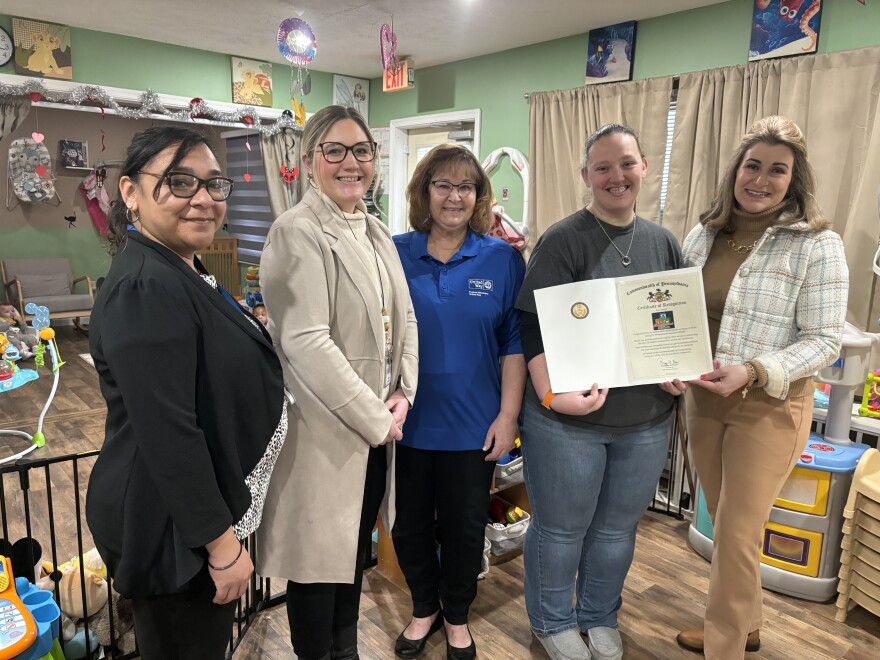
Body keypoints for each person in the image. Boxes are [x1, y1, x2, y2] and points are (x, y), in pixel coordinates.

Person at [85, 126, 287, 659]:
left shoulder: (182, 268)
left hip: (189, 518)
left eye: (213, 184)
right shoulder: (144, 288)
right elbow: (169, 433)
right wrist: (222, 548)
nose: (202, 199)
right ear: (130, 193)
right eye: (179, 182)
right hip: (172, 529)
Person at [669, 116, 848, 659]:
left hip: (768, 406)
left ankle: (723, 645)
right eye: (753, 166)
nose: (761, 180)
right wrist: (671, 359)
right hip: (704, 399)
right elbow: (673, 314)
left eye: (777, 170)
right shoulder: (701, 235)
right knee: (725, 521)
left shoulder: (817, 245)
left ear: (793, 180)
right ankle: (745, 623)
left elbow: (825, 341)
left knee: (738, 534)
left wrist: (754, 369)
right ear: (735, 171)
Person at [256, 105, 418, 660]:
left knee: (352, 557)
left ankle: (344, 652)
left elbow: (406, 317)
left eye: (362, 151)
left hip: (376, 430)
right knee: (316, 566)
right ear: (308, 161)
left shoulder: (375, 231)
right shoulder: (296, 231)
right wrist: (377, 418)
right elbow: (305, 341)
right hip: (326, 432)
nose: (351, 163)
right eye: (335, 151)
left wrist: (404, 393)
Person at [514, 124, 682, 660]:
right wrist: (547, 396)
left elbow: (672, 325)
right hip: (568, 422)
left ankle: (598, 615)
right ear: (587, 176)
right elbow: (531, 326)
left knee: (614, 532)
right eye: (604, 167)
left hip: (647, 420)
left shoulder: (663, 242)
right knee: (562, 530)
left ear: (644, 168)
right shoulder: (564, 240)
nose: (617, 176)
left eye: (627, 164)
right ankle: (552, 620)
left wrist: (676, 368)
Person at [391, 144, 526, 659]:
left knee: (467, 529)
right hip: (407, 423)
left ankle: (457, 615)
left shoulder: (501, 258)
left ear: (479, 196)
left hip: (475, 426)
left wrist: (508, 416)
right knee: (410, 527)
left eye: (465, 187)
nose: (454, 196)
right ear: (425, 192)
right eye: (442, 185)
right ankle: (423, 607)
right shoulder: (396, 251)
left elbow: (514, 344)